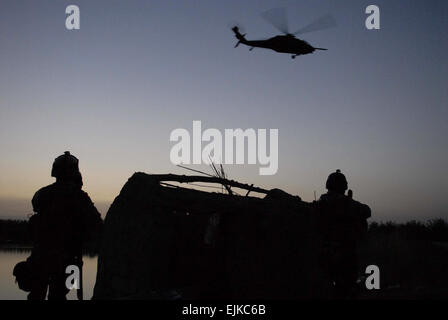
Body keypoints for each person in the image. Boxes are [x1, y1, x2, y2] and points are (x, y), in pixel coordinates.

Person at [26, 151, 103, 300]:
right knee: (60, 295)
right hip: (70, 260)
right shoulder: (80, 197)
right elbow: (97, 225)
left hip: (40, 257)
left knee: (36, 294)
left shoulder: (42, 193)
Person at [315, 170, 371, 298]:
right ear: (343, 186)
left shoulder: (321, 202)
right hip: (344, 252)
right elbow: (367, 211)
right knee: (346, 288)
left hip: (323, 251)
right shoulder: (345, 203)